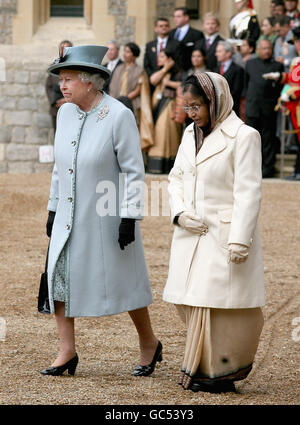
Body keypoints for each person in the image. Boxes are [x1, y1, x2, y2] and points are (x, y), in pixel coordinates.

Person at [42, 45, 162, 377]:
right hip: (68, 215)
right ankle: (67, 351)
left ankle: (149, 343)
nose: (62, 86)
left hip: (108, 215)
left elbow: (134, 170)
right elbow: (59, 166)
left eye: (68, 79)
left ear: (91, 82)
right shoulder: (65, 113)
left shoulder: (119, 115)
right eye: (61, 79)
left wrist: (129, 216)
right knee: (59, 278)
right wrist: (53, 208)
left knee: (127, 282)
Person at [163, 71, 265, 394]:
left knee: (217, 305)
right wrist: (179, 213)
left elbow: (248, 192)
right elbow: (175, 177)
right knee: (190, 302)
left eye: (196, 107)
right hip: (190, 233)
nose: (191, 114)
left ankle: (219, 370)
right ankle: (204, 366)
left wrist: (239, 239)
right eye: (187, 107)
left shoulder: (245, 136)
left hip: (223, 237)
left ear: (215, 101)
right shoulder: (189, 134)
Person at [263, 26, 300, 180]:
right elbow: (293, 79)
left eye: (298, 41)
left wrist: (292, 95)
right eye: (296, 42)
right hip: (294, 107)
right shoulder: (296, 61)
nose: (297, 45)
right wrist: (280, 77)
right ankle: (297, 170)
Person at [245, 39, 284, 177]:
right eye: (263, 48)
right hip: (252, 107)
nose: (266, 51)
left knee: (268, 139)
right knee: (251, 140)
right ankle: (251, 168)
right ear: (258, 50)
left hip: (269, 108)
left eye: (269, 48)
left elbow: (280, 87)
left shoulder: (278, 65)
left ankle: (268, 168)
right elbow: (246, 84)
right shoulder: (250, 64)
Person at [147, 49, 183, 174]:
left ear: (170, 59)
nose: (159, 58)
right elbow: (153, 80)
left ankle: (169, 165)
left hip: (170, 106)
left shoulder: (178, 73)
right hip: (157, 106)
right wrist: (165, 69)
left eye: (162, 56)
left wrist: (169, 83)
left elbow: (183, 84)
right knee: (158, 133)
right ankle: (155, 165)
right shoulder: (161, 72)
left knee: (167, 133)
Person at [144, 17, 180, 90]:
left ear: (169, 28)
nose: (164, 28)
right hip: (153, 83)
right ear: (156, 29)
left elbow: (177, 63)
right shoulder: (149, 45)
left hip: (169, 83)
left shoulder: (176, 44)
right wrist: (153, 77)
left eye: (166, 26)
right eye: (161, 26)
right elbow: (146, 65)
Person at [45, 40, 73, 131]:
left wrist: (66, 100)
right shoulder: (54, 67)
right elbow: (48, 86)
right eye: (62, 48)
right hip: (56, 108)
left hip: (72, 108)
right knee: (57, 134)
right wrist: (55, 101)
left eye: (67, 48)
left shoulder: (76, 67)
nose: (64, 50)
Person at [214, 40, 244, 117]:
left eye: (219, 51)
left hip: (231, 110)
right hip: (217, 110)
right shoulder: (216, 69)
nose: (216, 54)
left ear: (228, 53)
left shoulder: (238, 70)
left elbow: (236, 91)